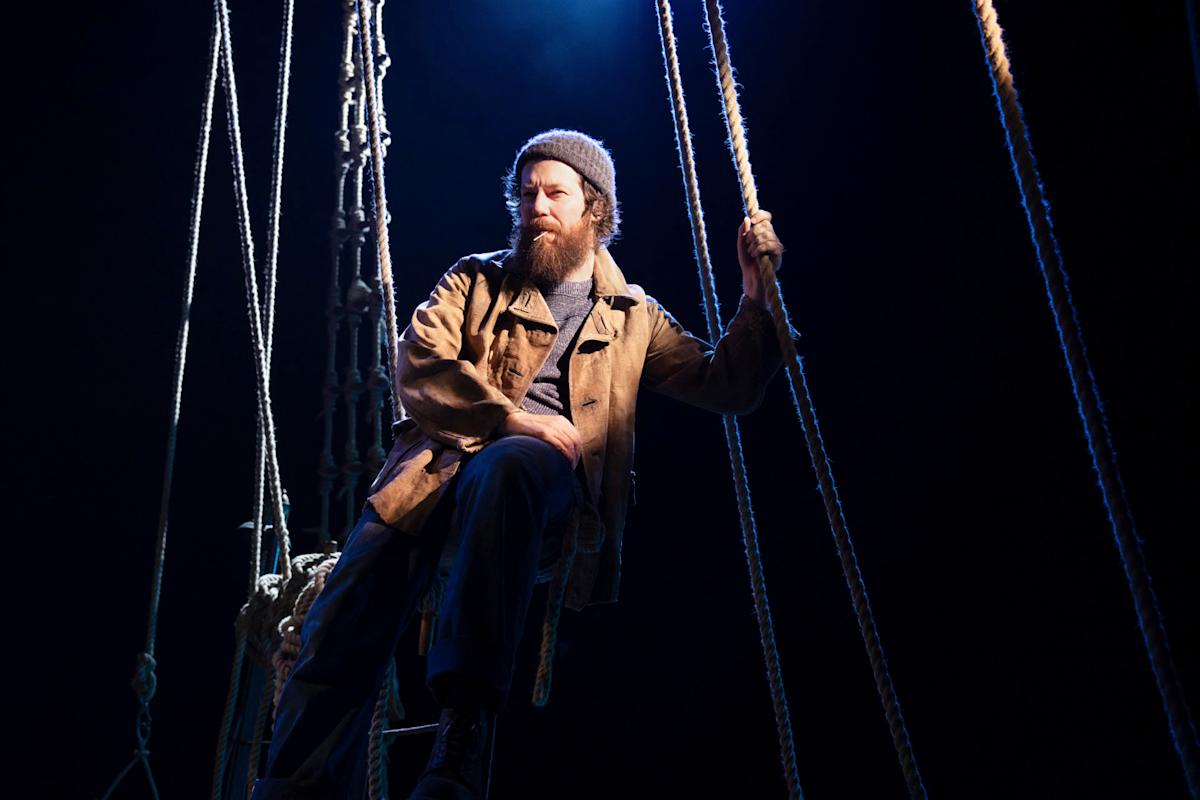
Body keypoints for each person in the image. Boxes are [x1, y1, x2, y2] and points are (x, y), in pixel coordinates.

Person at [252, 129, 785, 800]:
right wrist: (512, 417)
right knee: (343, 618)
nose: (536, 206)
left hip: (535, 489)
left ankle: (460, 743)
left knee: (512, 467)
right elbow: (420, 365)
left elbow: (726, 384)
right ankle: (291, 791)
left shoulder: (631, 317)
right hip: (431, 479)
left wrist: (754, 300)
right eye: (527, 193)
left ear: (597, 211)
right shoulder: (474, 278)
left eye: (555, 193)